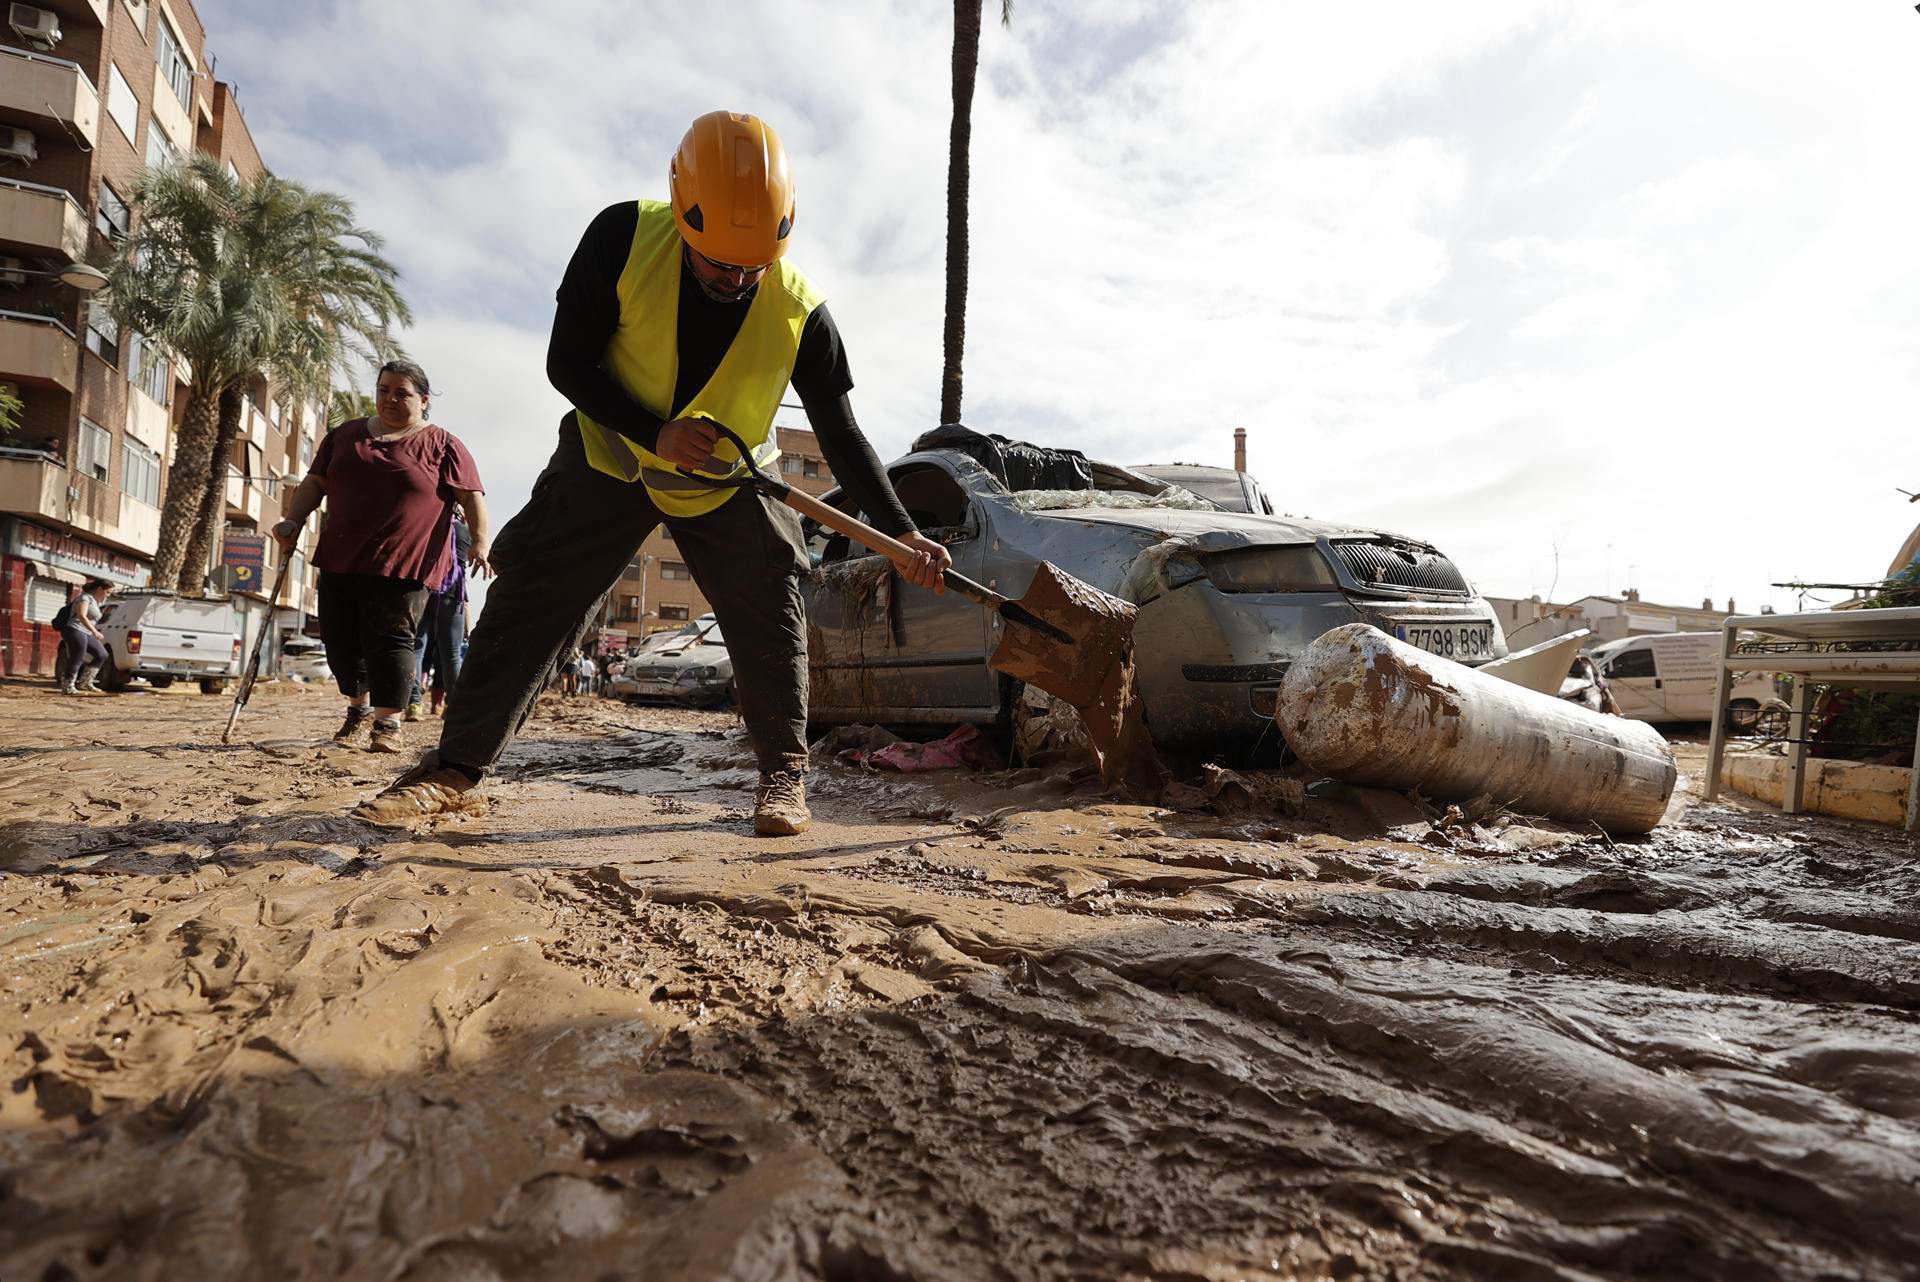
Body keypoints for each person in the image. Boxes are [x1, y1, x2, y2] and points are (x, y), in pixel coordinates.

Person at [359, 110, 951, 834]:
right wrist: (653, 432)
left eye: (751, 268)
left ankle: (783, 777)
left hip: (728, 482)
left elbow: (845, 437)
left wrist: (904, 533)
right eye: (718, 264)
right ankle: (454, 770)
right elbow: (566, 363)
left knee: (771, 604)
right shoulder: (621, 239)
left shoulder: (802, 313)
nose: (735, 281)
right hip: (607, 457)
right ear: (682, 213)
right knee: (532, 598)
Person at [273, 360, 491, 754]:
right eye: (384, 390)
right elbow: (315, 482)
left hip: (406, 561)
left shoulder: (443, 444)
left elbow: (471, 496)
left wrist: (480, 542)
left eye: (402, 392)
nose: (391, 399)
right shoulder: (345, 436)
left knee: (392, 639)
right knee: (340, 638)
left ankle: (387, 724)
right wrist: (291, 520)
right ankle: (358, 709)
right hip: (342, 556)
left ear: (423, 400)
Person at [405, 512, 472, 720]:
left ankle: (414, 703)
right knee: (451, 654)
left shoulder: (427, 525)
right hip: (452, 592)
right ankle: (455, 706)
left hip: (424, 589)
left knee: (416, 648)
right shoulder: (464, 531)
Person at [56, 578, 114, 695]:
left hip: (85, 632)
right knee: (77, 657)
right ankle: (67, 686)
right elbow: (82, 615)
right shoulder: (84, 598)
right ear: (99, 589)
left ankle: (85, 682)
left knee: (102, 654)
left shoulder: (96, 602)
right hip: (74, 629)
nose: (107, 596)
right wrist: (95, 631)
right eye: (107, 592)